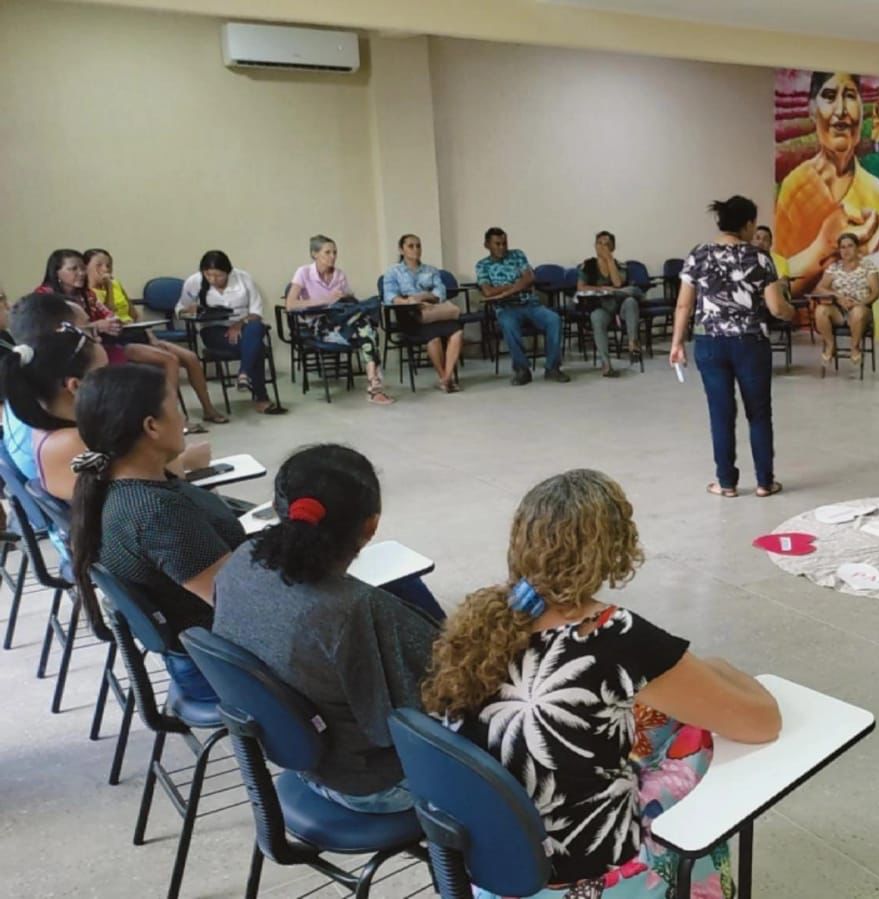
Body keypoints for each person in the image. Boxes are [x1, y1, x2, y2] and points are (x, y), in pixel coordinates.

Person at [421, 469, 781, 898]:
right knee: (696, 735)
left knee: (640, 721)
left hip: (496, 872)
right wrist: (722, 669)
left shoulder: (482, 625)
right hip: (588, 880)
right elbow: (761, 722)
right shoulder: (612, 634)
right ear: (614, 548)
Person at [214, 444, 440, 814]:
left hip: (299, 761)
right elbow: (439, 704)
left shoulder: (240, 561)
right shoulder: (356, 611)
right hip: (372, 785)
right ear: (371, 526)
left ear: (276, 509)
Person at [68, 365, 233, 702]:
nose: (182, 417)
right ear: (151, 426)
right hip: (223, 670)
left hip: (204, 653)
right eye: (175, 407)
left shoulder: (114, 486)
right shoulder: (156, 514)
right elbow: (237, 603)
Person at [670, 196, 794, 498]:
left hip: (710, 343)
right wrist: (792, 312)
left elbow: (684, 304)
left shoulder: (698, 254)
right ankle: (765, 482)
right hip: (750, 344)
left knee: (721, 413)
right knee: (759, 414)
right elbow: (777, 307)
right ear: (748, 224)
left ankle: (726, 483)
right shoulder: (761, 258)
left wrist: (676, 344)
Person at [774, 73, 879, 296]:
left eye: (849, 96)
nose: (841, 111)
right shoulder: (796, 186)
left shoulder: (875, 188)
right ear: (812, 109)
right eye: (828, 97)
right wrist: (821, 248)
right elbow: (779, 286)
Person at [84, 249, 227, 428]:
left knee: (190, 358)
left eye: (108, 264)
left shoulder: (116, 284)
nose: (105, 269)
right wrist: (108, 289)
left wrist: (151, 336)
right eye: (99, 265)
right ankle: (173, 418)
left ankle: (208, 409)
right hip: (118, 340)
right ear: (86, 267)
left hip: (137, 332)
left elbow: (134, 314)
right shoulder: (88, 294)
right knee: (170, 360)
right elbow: (109, 315)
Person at [0, 321, 118, 501]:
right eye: (105, 372)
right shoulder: (72, 443)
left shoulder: (49, 424)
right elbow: (137, 497)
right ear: (75, 386)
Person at [284, 235, 393, 405]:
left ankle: (374, 386)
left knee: (365, 327)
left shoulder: (339, 274)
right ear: (314, 254)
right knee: (368, 332)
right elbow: (290, 304)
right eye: (327, 252)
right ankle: (374, 387)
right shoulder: (303, 272)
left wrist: (347, 297)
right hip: (318, 325)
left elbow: (348, 301)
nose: (332, 256)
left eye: (335, 252)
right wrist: (326, 299)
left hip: (341, 321)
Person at [178, 250, 285, 415]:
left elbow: (257, 312)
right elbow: (180, 309)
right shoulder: (194, 282)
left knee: (256, 328)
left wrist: (238, 324)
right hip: (214, 331)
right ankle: (260, 396)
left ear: (228, 271)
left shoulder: (243, 278)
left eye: (219, 275)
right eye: (208, 275)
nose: (213, 280)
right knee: (256, 347)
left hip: (245, 327)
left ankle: (243, 374)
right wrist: (189, 311)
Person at [475, 227, 568, 386]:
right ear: (487, 245)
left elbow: (530, 277)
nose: (502, 247)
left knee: (554, 320)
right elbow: (487, 291)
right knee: (508, 324)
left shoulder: (517, 255)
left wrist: (507, 289)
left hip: (530, 303)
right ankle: (522, 370)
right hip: (506, 307)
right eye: (497, 244)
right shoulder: (482, 265)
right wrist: (517, 285)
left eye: (504, 243)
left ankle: (552, 368)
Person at [380, 233, 465, 393]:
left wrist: (426, 296)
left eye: (418, 246)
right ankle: (444, 378)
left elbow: (440, 291)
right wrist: (408, 302)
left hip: (433, 310)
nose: (416, 249)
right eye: (411, 246)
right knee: (433, 338)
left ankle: (447, 377)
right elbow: (389, 296)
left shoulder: (430, 270)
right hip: (410, 314)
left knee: (457, 331)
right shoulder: (393, 271)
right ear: (401, 249)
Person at [36, 249, 127, 367]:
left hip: (93, 345)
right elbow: (49, 330)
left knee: (129, 356)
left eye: (83, 268)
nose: (81, 273)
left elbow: (108, 314)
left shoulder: (87, 295)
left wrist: (113, 324)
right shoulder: (43, 296)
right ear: (56, 272)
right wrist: (94, 327)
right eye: (73, 269)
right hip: (62, 353)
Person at [576, 231, 644, 377]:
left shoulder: (620, 265)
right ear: (594, 246)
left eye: (606, 244)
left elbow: (618, 283)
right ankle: (606, 364)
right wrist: (602, 289)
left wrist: (609, 260)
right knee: (596, 317)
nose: (602, 247)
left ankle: (633, 342)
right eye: (599, 243)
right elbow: (581, 287)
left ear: (612, 247)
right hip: (601, 305)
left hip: (621, 306)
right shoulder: (588, 265)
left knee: (631, 301)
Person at [813, 233, 879, 370]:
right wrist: (837, 295)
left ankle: (854, 347)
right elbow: (820, 288)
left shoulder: (868, 266)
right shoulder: (834, 267)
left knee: (858, 312)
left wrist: (859, 303)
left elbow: (876, 292)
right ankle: (831, 345)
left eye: (850, 246)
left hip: (861, 309)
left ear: (857, 248)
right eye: (842, 247)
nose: (846, 250)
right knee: (820, 310)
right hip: (839, 310)